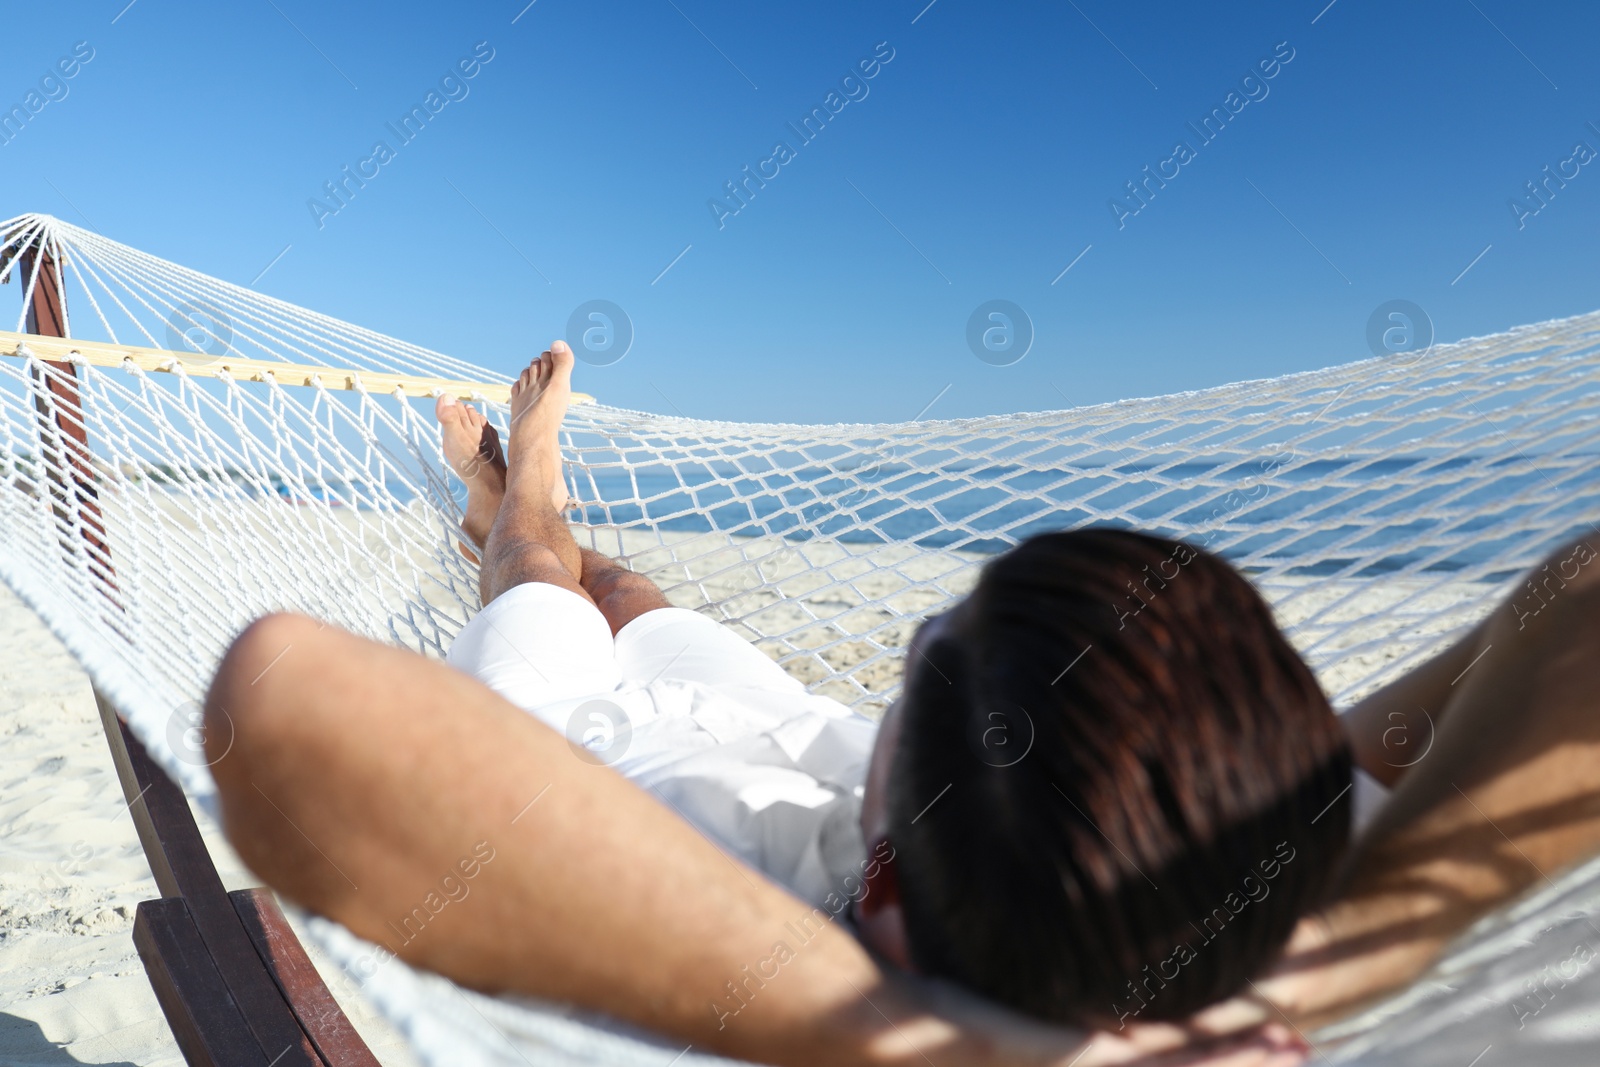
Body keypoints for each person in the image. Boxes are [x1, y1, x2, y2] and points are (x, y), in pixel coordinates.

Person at [202, 342, 1600, 1065]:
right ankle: (533, 506)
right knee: (639, 599)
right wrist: (1338, 952)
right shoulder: (1211, 878)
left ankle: (512, 484)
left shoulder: (706, 1006)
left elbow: (279, 703)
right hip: (818, 759)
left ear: (884, 837)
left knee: (541, 579)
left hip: (563, 778)